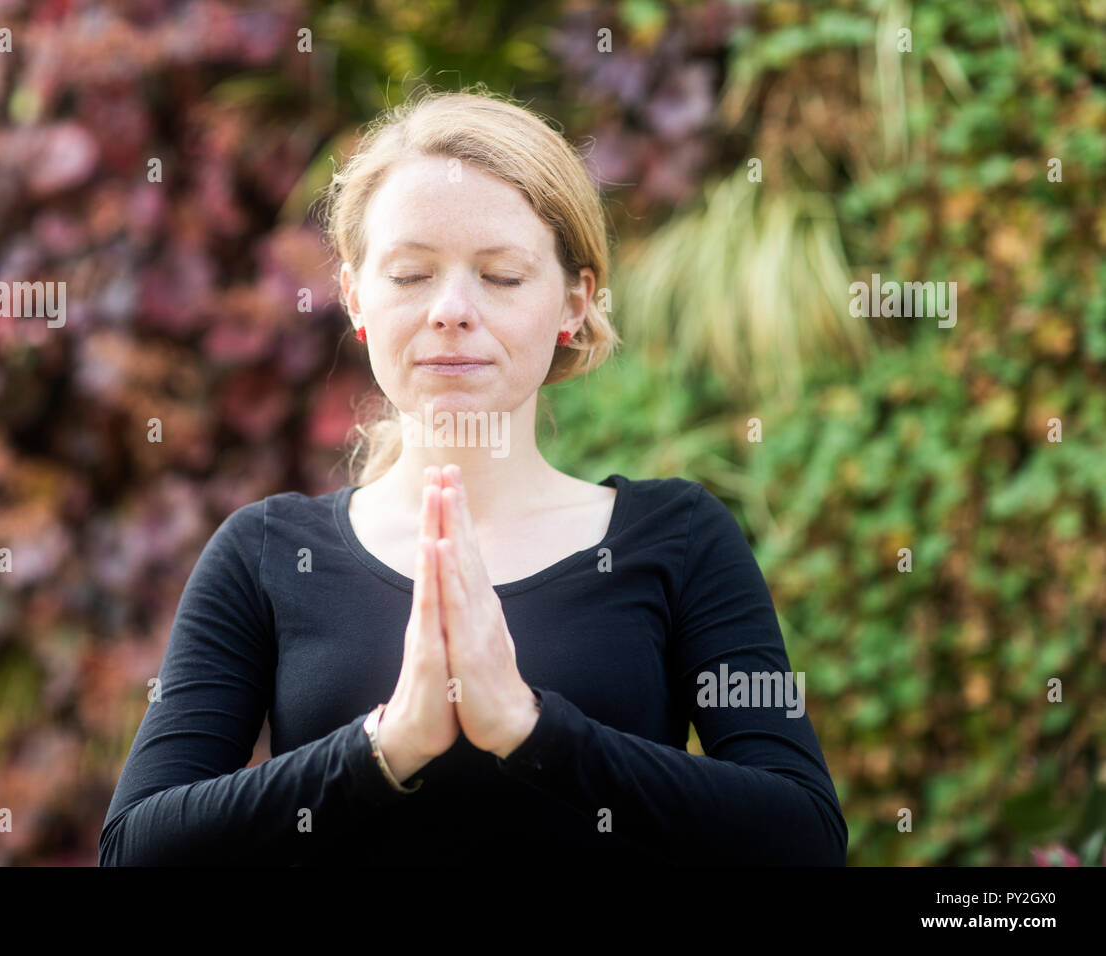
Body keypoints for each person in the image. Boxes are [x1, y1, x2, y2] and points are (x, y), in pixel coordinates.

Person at [98, 86, 848, 866]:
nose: (453, 309)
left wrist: (533, 731)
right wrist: (384, 749)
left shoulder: (682, 538)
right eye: (412, 274)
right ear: (356, 297)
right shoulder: (264, 553)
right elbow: (135, 851)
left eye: (503, 276)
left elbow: (805, 838)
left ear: (575, 301)